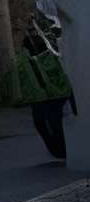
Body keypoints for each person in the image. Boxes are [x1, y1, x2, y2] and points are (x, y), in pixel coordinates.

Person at [9, 31, 75, 164]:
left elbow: (60, 76)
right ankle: (57, 149)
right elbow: (21, 78)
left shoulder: (49, 57)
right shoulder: (25, 61)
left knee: (54, 123)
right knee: (41, 123)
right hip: (39, 97)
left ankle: (61, 150)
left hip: (54, 96)